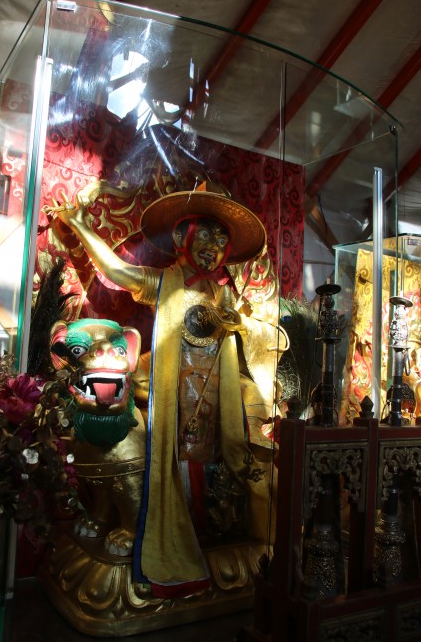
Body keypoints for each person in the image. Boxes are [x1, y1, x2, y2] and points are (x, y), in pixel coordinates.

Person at [45, 181, 286, 597]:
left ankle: (234, 533)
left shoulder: (223, 298)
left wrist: (243, 324)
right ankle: (168, 537)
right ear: (180, 238)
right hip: (171, 406)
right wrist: (81, 225)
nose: (213, 246)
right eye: (204, 235)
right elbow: (116, 272)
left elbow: (266, 339)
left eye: (221, 240)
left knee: (238, 471)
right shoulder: (164, 282)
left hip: (217, 413)